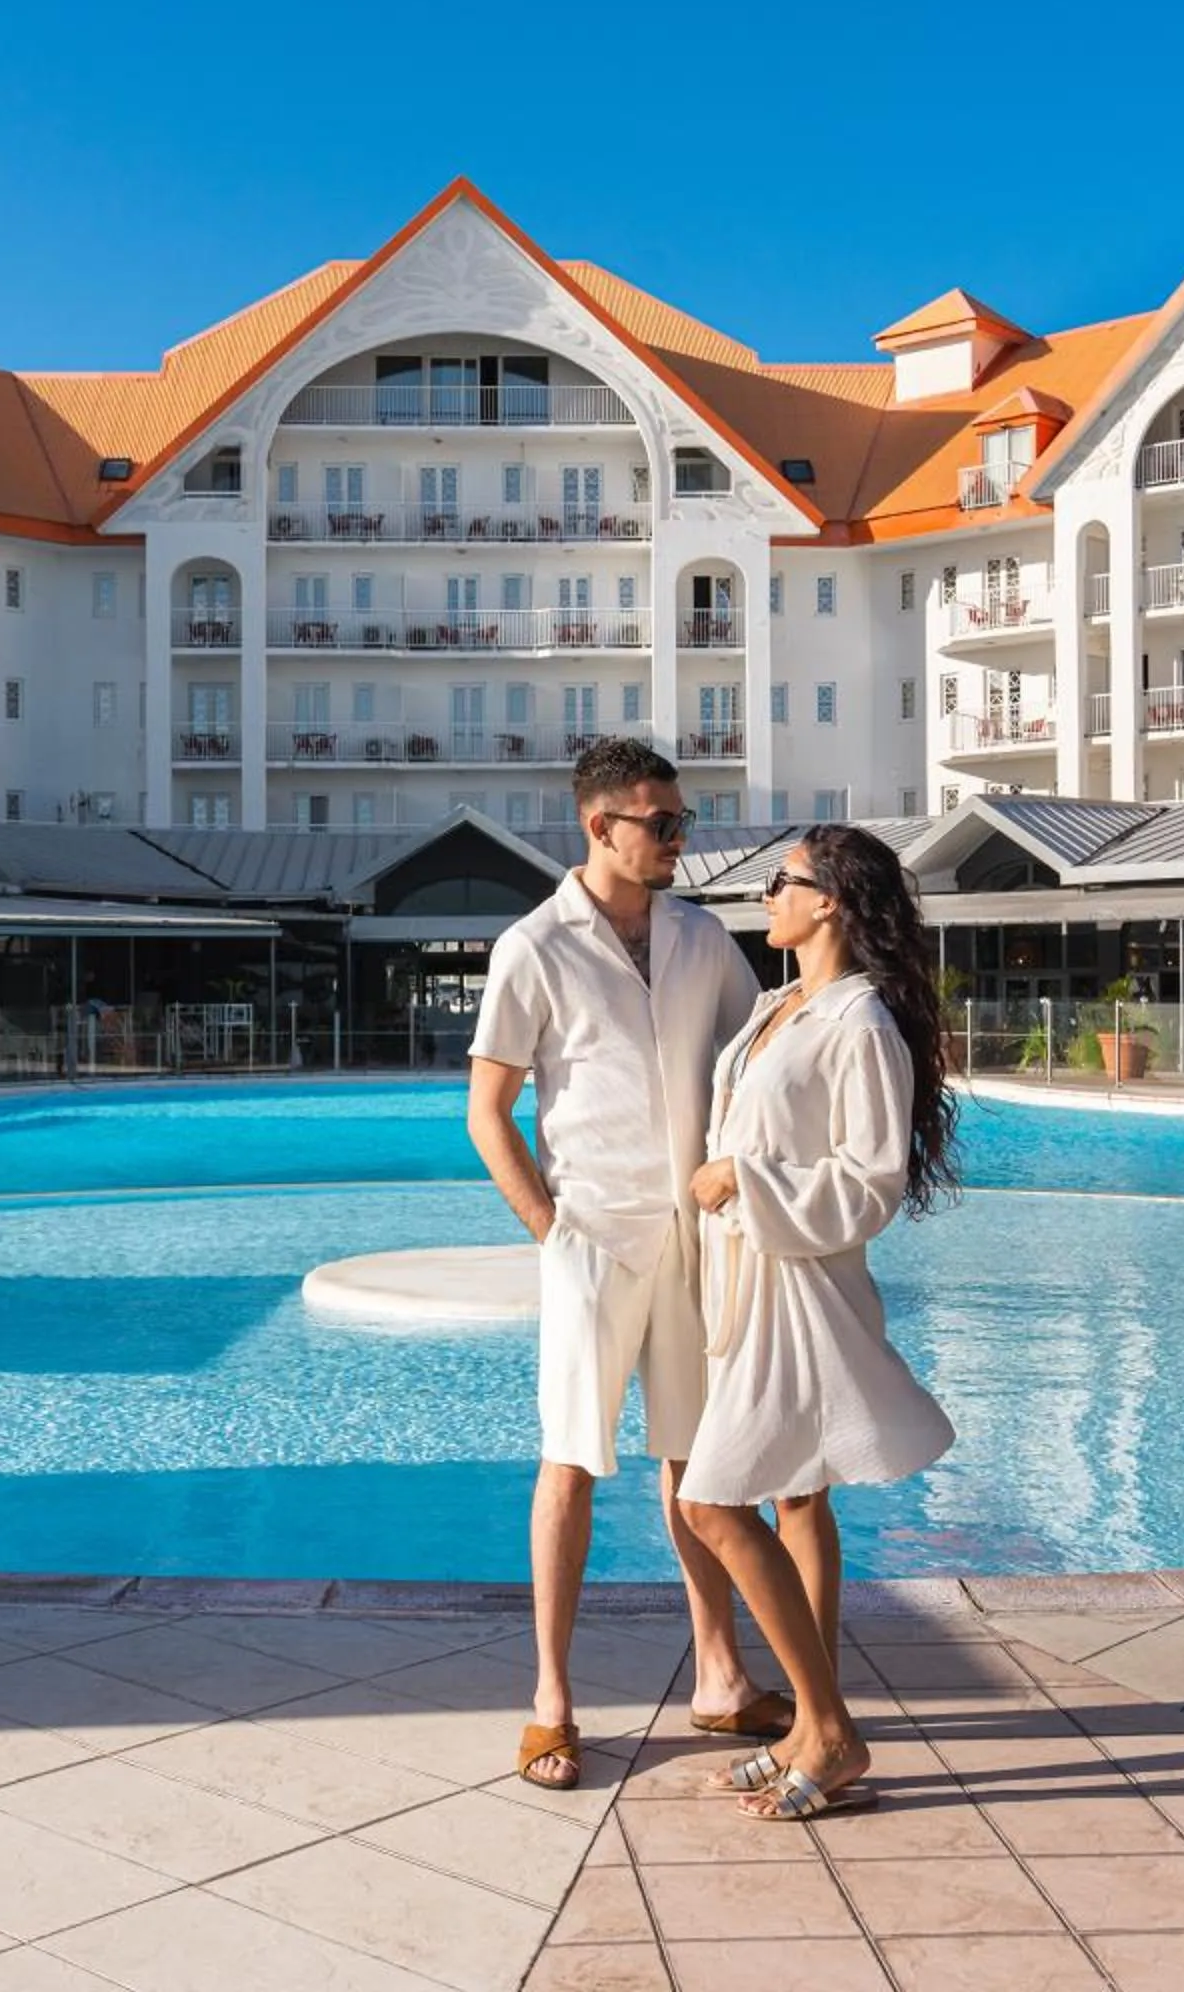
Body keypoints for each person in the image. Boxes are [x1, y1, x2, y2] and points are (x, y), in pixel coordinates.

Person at [469, 737, 782, 1790]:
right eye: (664, 824)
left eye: (683, 822)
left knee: (700, 1463)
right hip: (592, 1241)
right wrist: (548, 1227)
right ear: (600, 825)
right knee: (569, 1463)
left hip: (697, 1239)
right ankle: (551, 1699)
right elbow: (487, 1110)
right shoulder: (533, 946)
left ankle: (721, 1677)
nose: (682, 842)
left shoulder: (703, 937)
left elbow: (759, 1061)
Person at [679, 823, 959, 1821]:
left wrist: (742, 1178)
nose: (766, 897)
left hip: (797, 1292)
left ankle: (833, 1728)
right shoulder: (776, 1004)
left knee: (712, 1507)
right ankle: (806, 1723)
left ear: (829, 899)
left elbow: (871, 1180)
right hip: (747, 1278)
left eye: (778, 881)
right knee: (795, 1496)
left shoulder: (859, 1021)